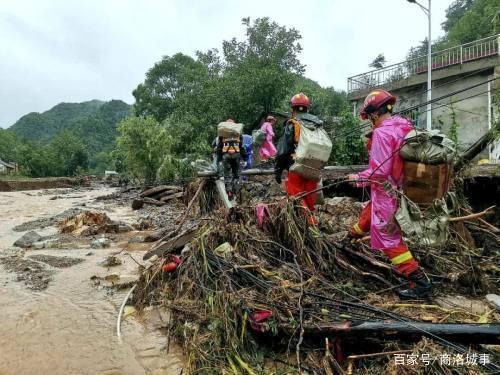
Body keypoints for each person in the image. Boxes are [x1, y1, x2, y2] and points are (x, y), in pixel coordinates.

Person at [348, 89, 432, 300]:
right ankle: (350, 236)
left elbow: (378, 173)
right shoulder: (404, 126)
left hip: (387, 192)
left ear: (374, 113)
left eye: (369, 117)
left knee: (388, 238)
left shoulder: (382, 133)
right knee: (371, 212)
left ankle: (419, 280)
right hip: (403, 189)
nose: (369, 121)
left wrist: (356, 178)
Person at [275, 92, 320, 225]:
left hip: (296, 166)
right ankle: (310, 220)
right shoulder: (317, 124)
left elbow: (282, 151)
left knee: (297, 197)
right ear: (308, 108)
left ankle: (310, 225)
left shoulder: (292, 124)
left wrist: (277, 170)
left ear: (292, 109)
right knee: (309, 197)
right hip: (313, 166)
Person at [216, 119, 246, 200]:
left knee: (227, 174)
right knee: (236, 174)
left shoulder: (223, 134)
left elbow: (219, 147)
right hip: (236, 155)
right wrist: (245, 157)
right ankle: (235, 189)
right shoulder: (238, 133)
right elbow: (241, 147)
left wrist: (218, 159)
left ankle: (229, 191)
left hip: (226, 155)